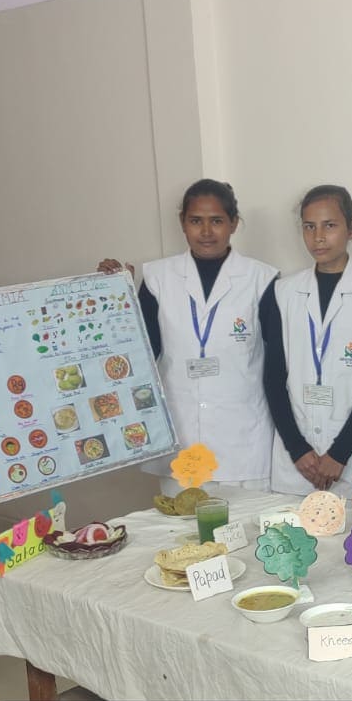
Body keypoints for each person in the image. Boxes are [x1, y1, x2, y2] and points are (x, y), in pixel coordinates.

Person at [99, 179, 277, 490]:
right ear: (183, 223)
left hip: (243, 440)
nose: (206, 231)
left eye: (216, 221)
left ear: (234, 223)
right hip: (180, 438)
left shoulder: (261, 279)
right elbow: (141, 353)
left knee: (246, 521)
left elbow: (278, 364)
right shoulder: (157, 277)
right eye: (196, 221)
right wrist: (117, 299)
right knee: (181, 520)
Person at [259, 185, 352, 495]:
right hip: (298, 460)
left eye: (329, 225)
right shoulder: (282, 293)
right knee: (292, 525)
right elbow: (273, 378)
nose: (318, 237)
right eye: (309, 226)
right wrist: (297, 449)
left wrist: (339, 454)